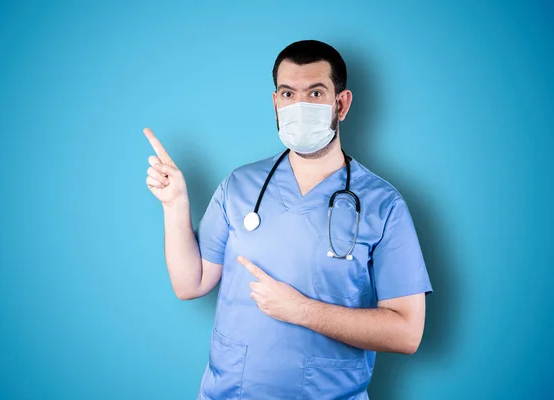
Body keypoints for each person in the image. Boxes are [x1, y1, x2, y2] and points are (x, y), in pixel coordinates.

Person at [143, 39, 433, 400]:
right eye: (287, 93)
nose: (299, 105)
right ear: (275, 102)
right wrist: (175, 204)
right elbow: (191, 284)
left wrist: (302, 311)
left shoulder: (382, 204)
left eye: (314, 93)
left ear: (340, 104)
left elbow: (407, 332)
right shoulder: (239, 185)